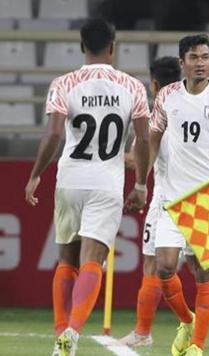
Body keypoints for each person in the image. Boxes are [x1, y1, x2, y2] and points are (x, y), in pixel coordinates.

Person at [23, 18, 151, 356]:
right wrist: (140, 183)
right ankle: (74, 333)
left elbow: (53, 134)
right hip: (107, 182)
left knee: (66, 258)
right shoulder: (133, 86)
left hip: (70, 179)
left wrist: (36, 174)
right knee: (94, 259)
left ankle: (59, 333)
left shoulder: (64, 83)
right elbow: (143, 138)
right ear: (113, 47)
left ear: (82, 46)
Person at [119, 56, 209, 349]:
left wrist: (109, 155)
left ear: (154, 84)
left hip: (167, 198)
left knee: (156, 265)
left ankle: (148, 330)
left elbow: (137, 157)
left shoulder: (162, 111)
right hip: (202, 197)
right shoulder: (192, 103)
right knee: (200, 266)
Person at [143, 34, 209, 356]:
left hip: (208, 195)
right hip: (171, 196)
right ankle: (186, 321)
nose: (200, 63)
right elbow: (154, 137)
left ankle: (198, 345)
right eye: (194, 57)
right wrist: (142, 180)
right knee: (165, 267)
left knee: (203, 272)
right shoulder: (167, 96)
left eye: (205, 57)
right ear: (182, 61)